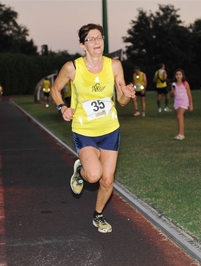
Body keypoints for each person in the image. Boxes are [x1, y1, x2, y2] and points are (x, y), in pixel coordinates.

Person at [50, 23, 135, 233]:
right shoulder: (73, 67)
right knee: (94, 175)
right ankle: (80, 170)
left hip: (110, 130)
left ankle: (98, 215)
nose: (97, 42)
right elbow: (55, 89)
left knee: (107, 180)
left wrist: (127, 93)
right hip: (84, 130)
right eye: (91, 38)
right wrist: (62, 108)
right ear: (82, 44)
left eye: (100, 37)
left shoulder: (114, 65)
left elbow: (122, 101)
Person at [170, 69, 193, 140]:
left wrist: (191, 104)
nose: (178, 76)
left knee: (179, 116)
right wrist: (173, 93)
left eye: (180, 74)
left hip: (184, 101)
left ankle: (180, 134)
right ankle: (182, 134)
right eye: (177, 74)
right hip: (177, 102)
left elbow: (189, 94)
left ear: (182, 75)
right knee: (180, 118)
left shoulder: (185, 83)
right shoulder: (173, 84)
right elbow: (172, 95)